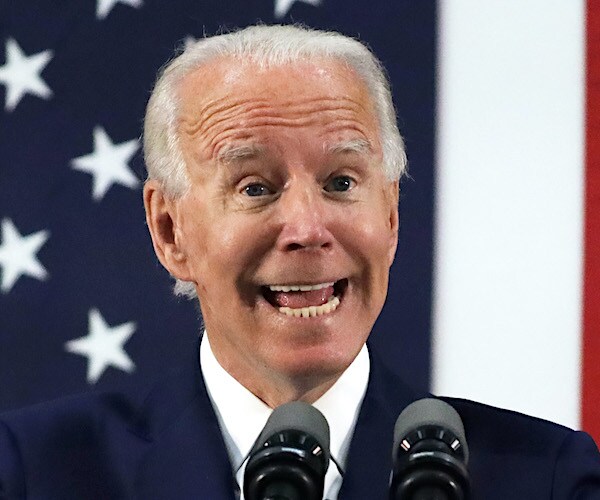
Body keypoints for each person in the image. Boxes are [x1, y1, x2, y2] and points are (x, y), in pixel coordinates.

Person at [1, 24, 599, 499]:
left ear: (390, 216)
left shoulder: (546, 479)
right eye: (255, 187)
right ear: (170, 230)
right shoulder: (33, 473)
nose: (309, 230)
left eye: (342, 181)